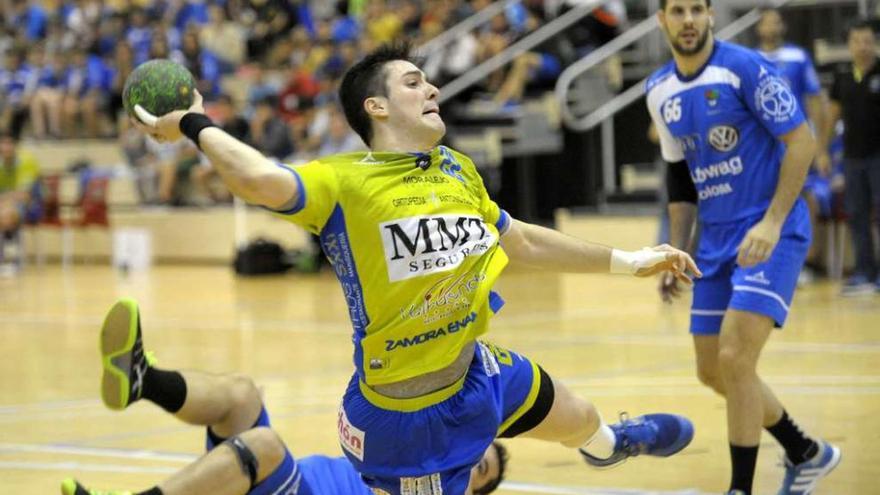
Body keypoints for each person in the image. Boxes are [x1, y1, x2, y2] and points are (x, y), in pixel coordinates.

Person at [133, 42, 701, 495]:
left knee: (577, 415)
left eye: (427, 80)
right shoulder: (344, 182)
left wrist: (631, 262)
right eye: (413, 82)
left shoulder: (456, 168)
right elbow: (258, 179)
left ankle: (609, 445)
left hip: (478, 373)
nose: (431, 88)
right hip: (404, 424)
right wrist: (193, 123)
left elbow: (522, 239)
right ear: (375, 108)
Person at [646, 1, 840, 494]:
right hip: (714, 240)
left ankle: (741, 488)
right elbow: (680, 180)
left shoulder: (746, 67)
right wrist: (675, 251)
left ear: (710, 15)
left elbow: (802, 141)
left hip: (769, 231)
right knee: (713, 370)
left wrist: (773, 223)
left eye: (696, 9)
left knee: (735, 358)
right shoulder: (658, 90)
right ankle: (805, 452)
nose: (687, 19)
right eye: (677, 10)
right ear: (661, 20)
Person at [61, 298, 509, 495]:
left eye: (479, 467)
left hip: (287, 482)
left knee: (266, 446)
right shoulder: (404, 455)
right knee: (242, 395)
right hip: (281, 484)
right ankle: (143, 378)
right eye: (475, 447)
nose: (468, 457)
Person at [755, 7, 830, 284]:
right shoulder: (751, 60)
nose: (772, 27)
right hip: (764, 149)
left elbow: (814, 100)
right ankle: (768, 262)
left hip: (796, 143)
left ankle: (806, 262)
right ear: (759, 27)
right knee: (764, 200)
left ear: (782, 26)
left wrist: (820, 148)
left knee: (806, 196)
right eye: (767, 22)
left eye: (776, 22)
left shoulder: (797, 58)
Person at [827, 20, 880, 296]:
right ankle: (863, 273)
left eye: (868, 40)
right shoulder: (842, 75)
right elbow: (832, 114)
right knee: (857, 215)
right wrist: (823, 150)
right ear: (849, 45)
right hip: (852, 157)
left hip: (878, 156)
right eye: (857, 41)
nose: (863, 46)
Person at [0, 130, 39, 272]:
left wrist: (5, 199)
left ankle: (12, 259)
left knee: (9, 213)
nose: (6, 147)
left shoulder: (27, 161)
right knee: (5, 211)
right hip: (4, 204)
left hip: (31, 206)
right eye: (3, 143)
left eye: (9, 143)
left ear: (16, 146)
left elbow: (24, 194)